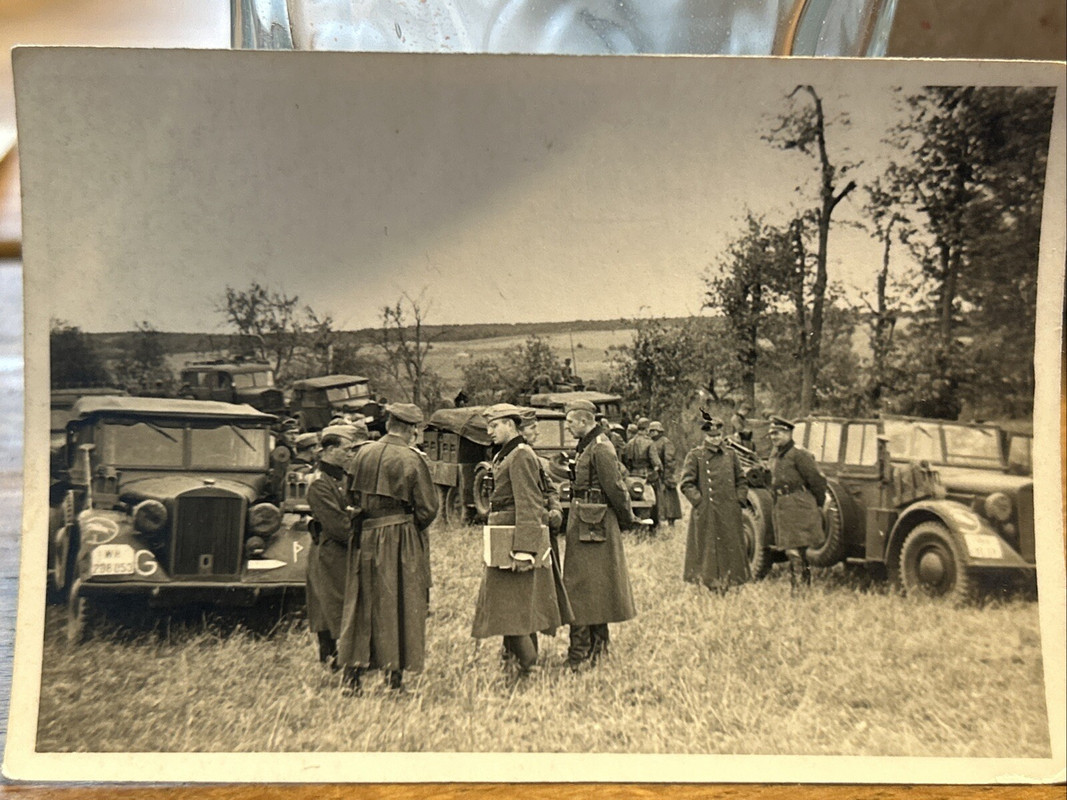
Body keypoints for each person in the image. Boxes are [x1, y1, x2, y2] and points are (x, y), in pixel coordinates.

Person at [337, 403, 439, 694]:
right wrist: (408, 526)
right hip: (398, 536)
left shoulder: (362, 453)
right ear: (410, 429)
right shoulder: (410, 459)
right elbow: (428, 508)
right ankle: (393, 681)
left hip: (365, 535)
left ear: (388, 424)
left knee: (361, 602)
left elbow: (349, 495)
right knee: (398, 603)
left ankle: (351, 679)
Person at [471, 405, 572, 676]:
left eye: (494, 425)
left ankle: (530, 666)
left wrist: (525, 550)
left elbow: (529, 503)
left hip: (515, 541)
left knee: (507, 607)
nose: (489, 431)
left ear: (510, 425)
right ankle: (516, 664)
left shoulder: (520, 456)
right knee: (513, 606)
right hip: (505, 537)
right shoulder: (508, 454)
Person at [562, 399, 637, 671]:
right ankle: (596, 649)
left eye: (570, 422)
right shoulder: (587, 446)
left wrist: (627, 518)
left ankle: (581, 654)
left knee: (582, 588)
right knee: (591, 588)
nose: (567, 426)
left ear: (584, 421)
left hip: (595, 526)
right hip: (585, 523)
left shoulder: (601, 447)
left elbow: (616, 488)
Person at [305, 425, 361, 670]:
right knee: (331, 604)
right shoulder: (319, 483)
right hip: (330, 552)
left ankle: (343, 655)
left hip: (343, 551)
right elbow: (338, 525)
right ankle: (333, 656)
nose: (350, 454)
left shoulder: (342, 478)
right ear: (329, 450)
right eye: (345, 450)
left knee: (341, 602)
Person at [679, 415, 749, 592]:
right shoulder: (696, 456)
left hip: (729, 510)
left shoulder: (731, 455)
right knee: (709, 548)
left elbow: (741, 479)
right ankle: (711, 583)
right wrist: (700, 502)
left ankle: (730, 581)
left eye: (718, 435)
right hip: (707, 511)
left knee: (730, 546)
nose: (715, 439)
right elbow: (686, 483)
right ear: (705, 436)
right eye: (711, 436)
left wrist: (739, 500)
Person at [767, 415, 828, 590]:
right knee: (791, 548)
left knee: (796, 550)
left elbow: (817, 481)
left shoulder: (799, 455)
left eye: (777, 433)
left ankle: (800, 586)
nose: (774, 437)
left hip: (798, 504)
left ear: (788, 433)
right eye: (771, 434)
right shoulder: (775, 455)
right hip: (782, 504)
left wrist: (817, 503)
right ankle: (800, 585)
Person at [648, 421, 682, 527]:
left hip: (665, 476)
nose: (652, 433)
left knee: (670, 502)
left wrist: (667, 476)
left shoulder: (665, 442)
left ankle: (671, 523)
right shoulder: (650, 442)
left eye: (654, 431)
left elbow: (670, 460)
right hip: (656, 476)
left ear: (659, 431)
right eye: (651, 431)